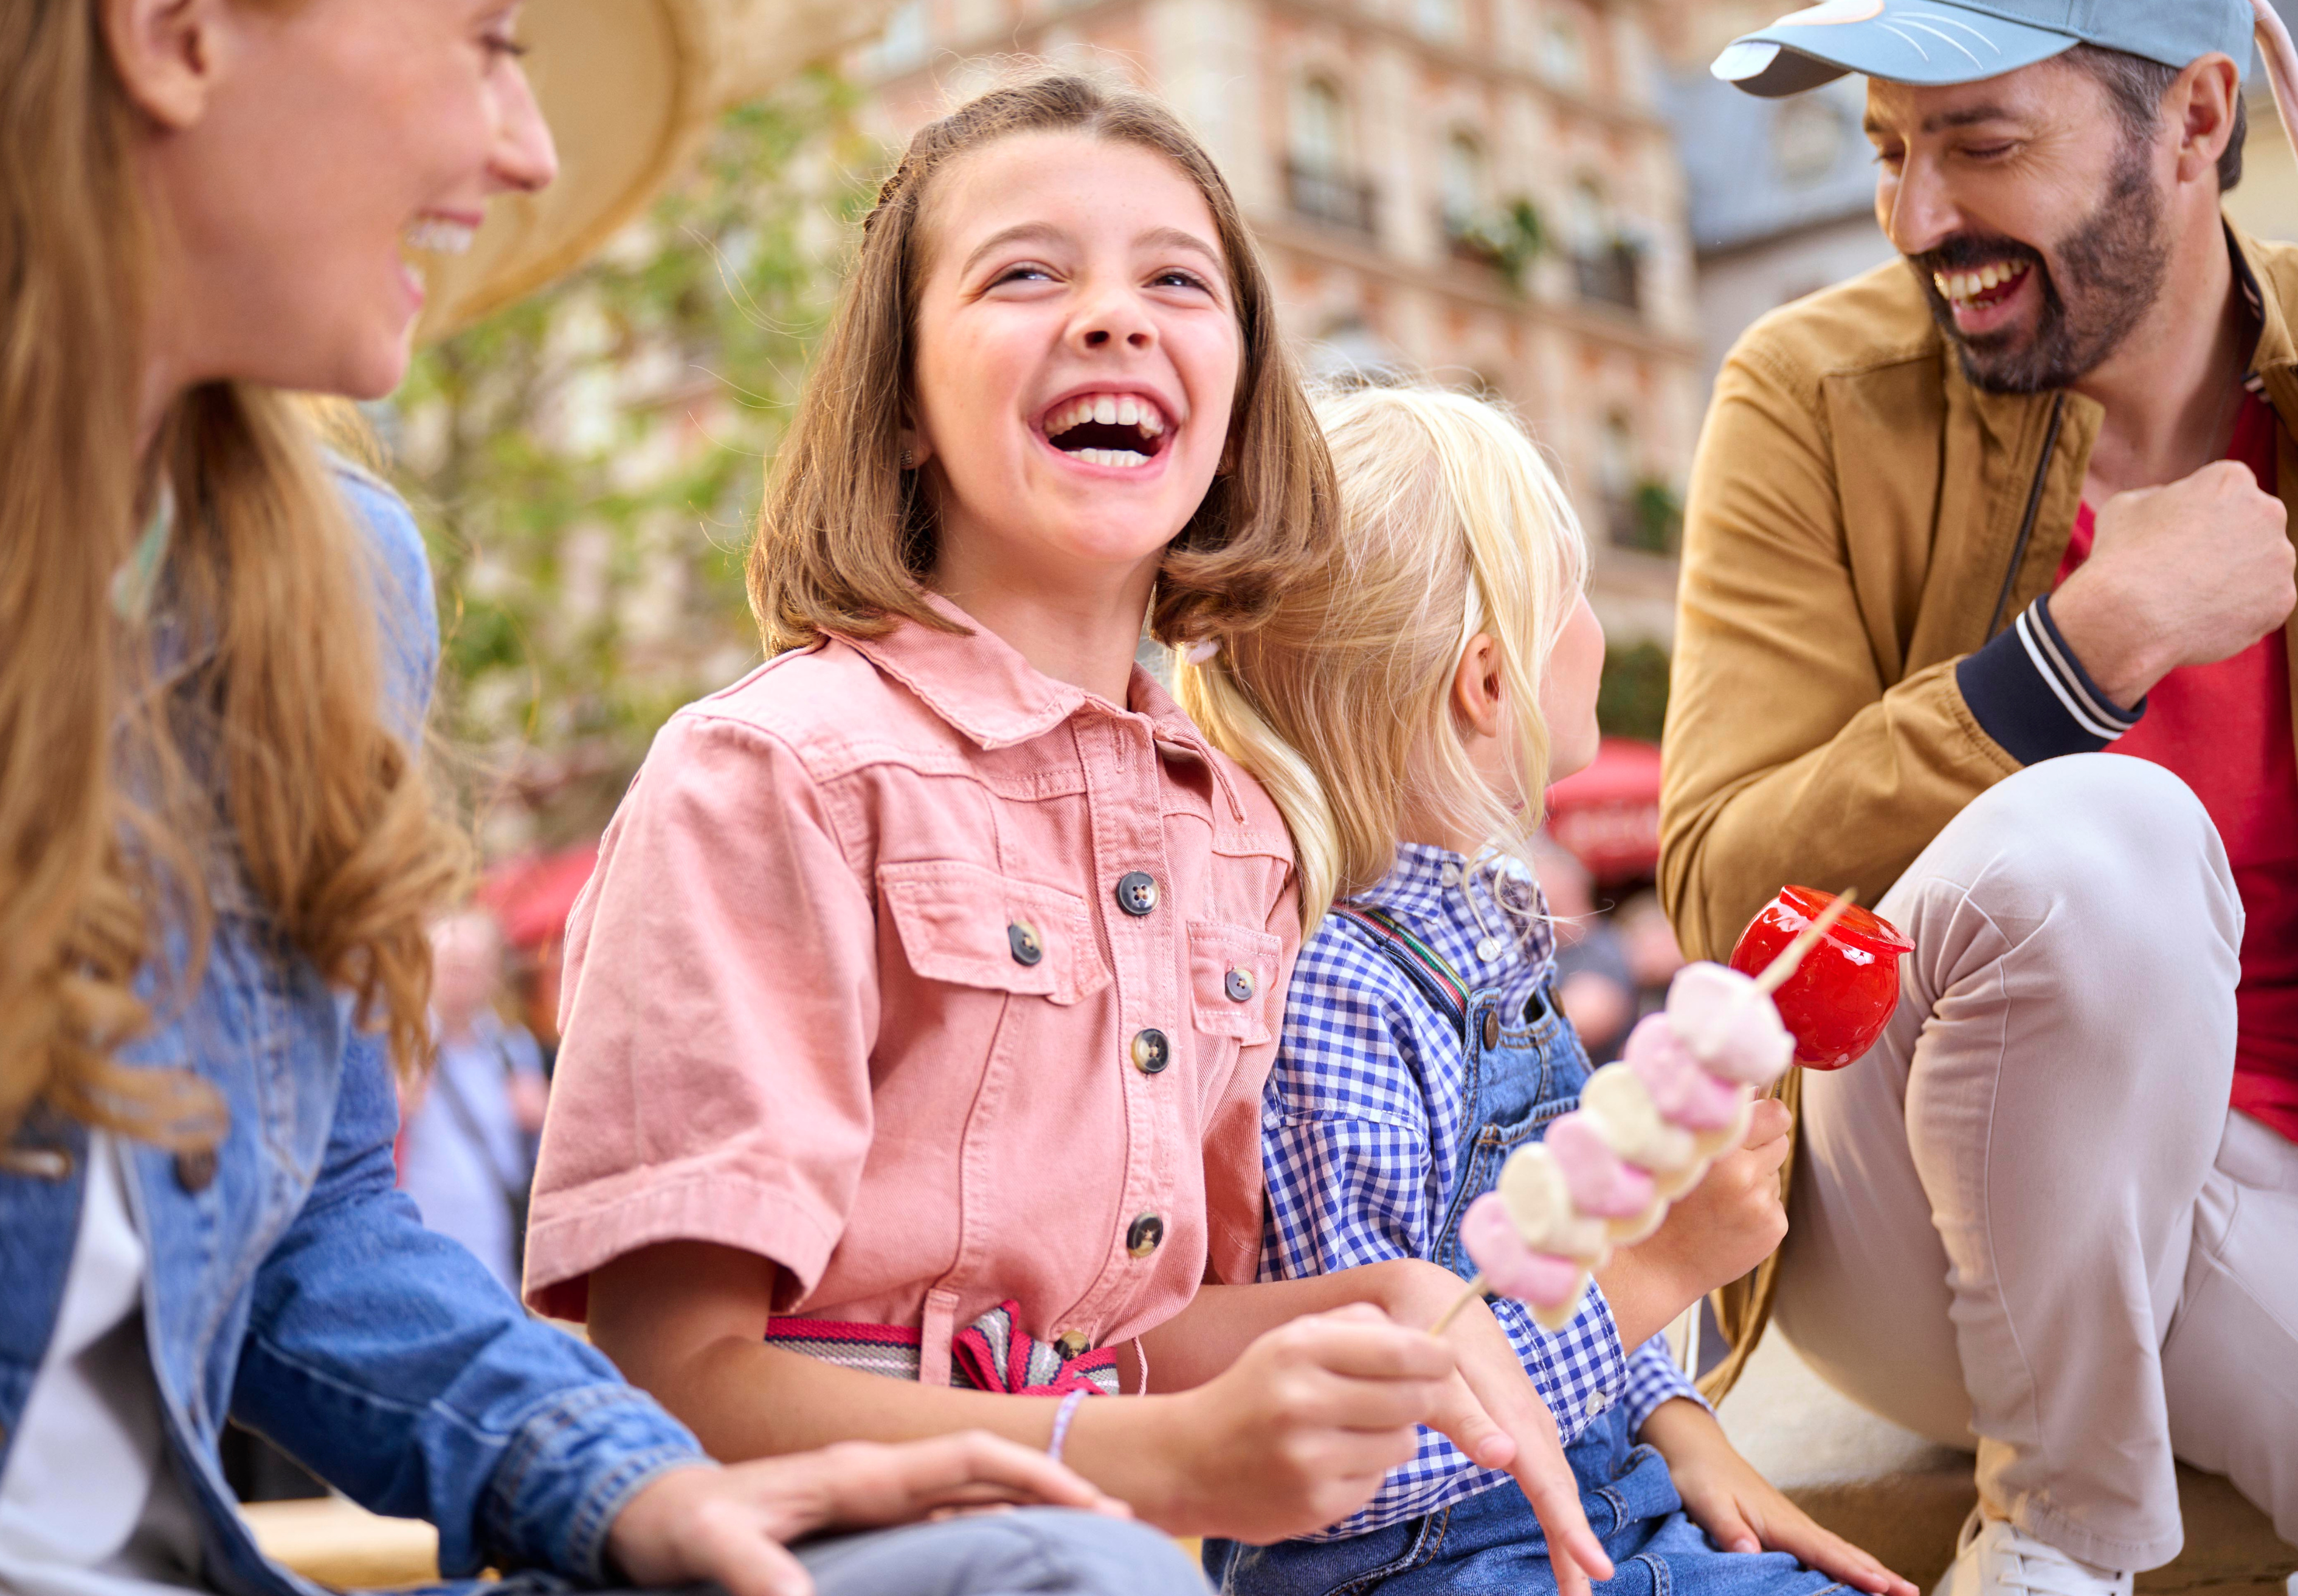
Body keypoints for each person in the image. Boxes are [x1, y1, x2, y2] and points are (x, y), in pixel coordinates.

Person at [0, 4, 1199, 1592]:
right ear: (179, 36)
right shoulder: (779, 765)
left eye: (1180, 279)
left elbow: (307, 1233)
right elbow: (678, 1340)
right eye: (490, 42)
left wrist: (630, 1489)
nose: (529, 150)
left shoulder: (330, 583)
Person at [523, 70, 1610, 1575]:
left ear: (1235, 409)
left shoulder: (1237, 837)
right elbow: (663, 1379)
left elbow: (1133, 1346)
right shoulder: (769, 773)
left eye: (1177, 279)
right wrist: (1132, 1462)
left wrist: (1381, 1307)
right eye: (1026, 273)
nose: (1113, 316)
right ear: (902, 403)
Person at [1664, 3, 2298, 1593]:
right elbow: (1714, 883)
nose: (1918, 217)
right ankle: (2056, 1532)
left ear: (2194, 121)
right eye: (1887, 148)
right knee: (2100, 831)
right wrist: (2069, 665)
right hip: (1935, 1199)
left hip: (2260, 1185)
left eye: (1980, 143)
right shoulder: (1808, 395)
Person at [1174, 383, 1911, 1596]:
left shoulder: (1479, 943)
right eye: (1566, 597)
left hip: (1601, 1510)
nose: (1597, 633)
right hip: (1431, 1567)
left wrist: (1682, 1420)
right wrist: (1660, 1272)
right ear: (1485, 681)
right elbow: (1349, 1447)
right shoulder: (1333, 996)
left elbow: (1537, 1264)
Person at [399, 910, 549, 1294]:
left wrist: (544, 1116)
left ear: (492, 976)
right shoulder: (402, 1044)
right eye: (449, 965)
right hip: (424, 1238)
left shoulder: (512, 1048)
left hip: (496, 1244)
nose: (457, 978)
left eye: (468, 967)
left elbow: (538, 1158)